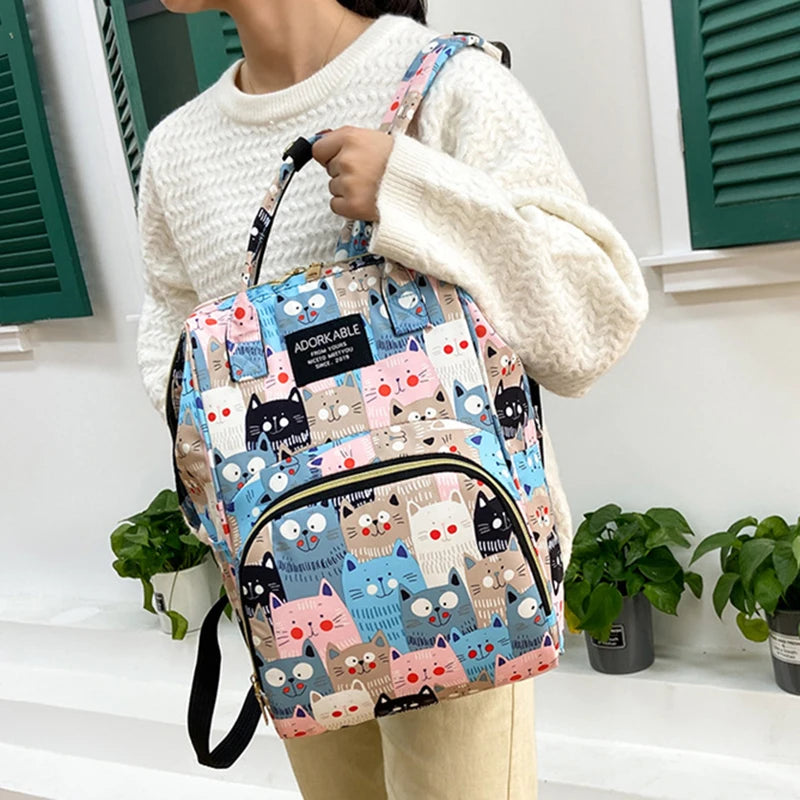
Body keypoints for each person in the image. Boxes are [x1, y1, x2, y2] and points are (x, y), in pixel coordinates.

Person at [135, 1, 649, 797]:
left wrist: (411, 191)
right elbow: (170, 360)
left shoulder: (448, 82)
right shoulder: (175, 150)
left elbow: (591, 320)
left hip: (468, 577)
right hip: (295, 591)